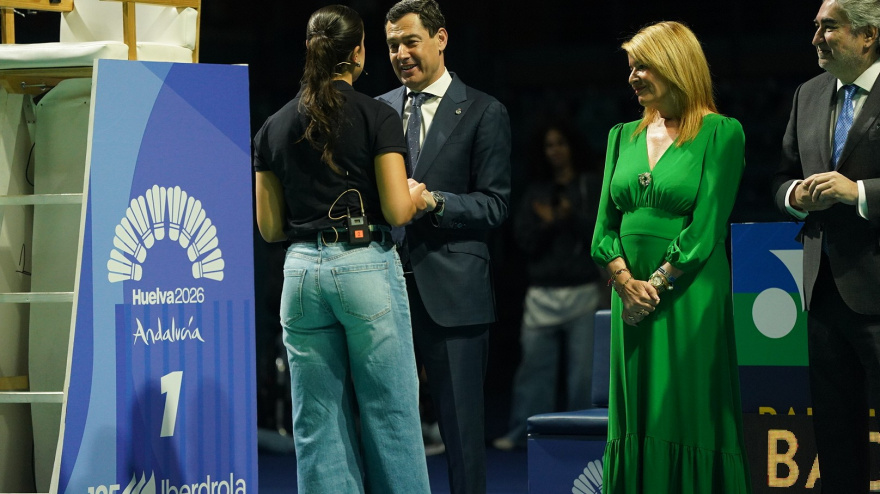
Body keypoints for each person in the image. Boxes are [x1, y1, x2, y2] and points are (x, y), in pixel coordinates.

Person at [251, 5, 431, 493]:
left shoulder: (274, 125)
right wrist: (414, 197)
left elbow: (269, 228)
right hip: (364, 267)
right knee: (391, 414)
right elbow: (396, 211)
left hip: (302, 274)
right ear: (358, 52)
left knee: (316, 424)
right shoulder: (379, 114)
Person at [590, 21, 751, 493]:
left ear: (675, 65)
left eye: (643, 65)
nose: (633, 76)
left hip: (688, 294)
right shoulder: (620, 135)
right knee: (636, 413)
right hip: (630, 300)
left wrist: (653, 286)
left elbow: (705, 230)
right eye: (630, 67)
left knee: (686, 407)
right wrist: (624, 283)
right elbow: (604, 229)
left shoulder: (723, 133)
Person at [376, 1, 512, 492]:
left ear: (441, 38)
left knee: (461, 437)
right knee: (384, 427)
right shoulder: (379, 109)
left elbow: (495, 205)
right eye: (392, 45)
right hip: (379, 293)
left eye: (410, 41)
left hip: (454, 297)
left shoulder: (483, 111)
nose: (401, 53)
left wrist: (433, 201)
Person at [772, 1, 880, 491]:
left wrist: (855, 192)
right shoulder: (808, 94)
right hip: (821, 295)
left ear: (868, 35)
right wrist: (795, 196)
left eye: (828, 27)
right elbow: (780, 177)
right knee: (836, 438)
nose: (816, 36)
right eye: (815, 26)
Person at [493, 123, 603, 451]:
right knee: (533, 371)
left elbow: (601, 235)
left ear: (573, 147)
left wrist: (568, 218)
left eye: (561, 143)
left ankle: (584, 433)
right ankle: (523, 431)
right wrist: (549, 224)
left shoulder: (589, 186)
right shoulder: (535, 190)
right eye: (549, 145)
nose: (555, 150)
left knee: (583, 376)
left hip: (583, 290)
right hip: (542, 291)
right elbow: (523, 241)